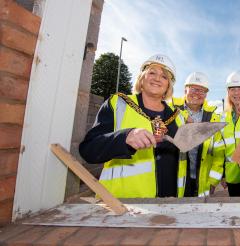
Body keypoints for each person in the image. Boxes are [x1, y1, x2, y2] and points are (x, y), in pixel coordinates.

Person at [79, 54, 188, 198]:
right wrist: (125, 137)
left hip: (171, 201)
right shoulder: (118, 104)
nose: (157, 78)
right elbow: (89, 150)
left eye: (164, 76)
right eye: (152, 72)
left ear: (169, 85)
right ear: (142, 78)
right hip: (123, 204)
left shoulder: (177, 116)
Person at [171, 72, 224, 197]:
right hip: (174, 179)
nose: (197, 94)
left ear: (206, 94)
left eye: (202, 91)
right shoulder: (171, 111)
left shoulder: (213, 118)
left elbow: (219, 152)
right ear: (185, 90)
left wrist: (213, 181)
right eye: (194, 89)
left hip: (202, 180)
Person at [215, 72, 240, 196]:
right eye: (233, 89)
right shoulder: (223, 117)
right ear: (228, 92)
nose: (237, 93)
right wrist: (223, 175)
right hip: (232, 175)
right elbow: (221, 148)